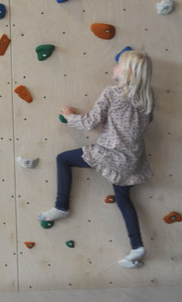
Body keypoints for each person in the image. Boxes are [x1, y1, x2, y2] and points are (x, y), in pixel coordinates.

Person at [38, 51, 155, 268]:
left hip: (109, 154)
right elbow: (146, 125)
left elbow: (91, 122)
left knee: (63, 159)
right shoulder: (147, 100)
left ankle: (61, 206)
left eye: (118, 63)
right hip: (132, 160)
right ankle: (137, 246)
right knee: (123, 200)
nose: (114, 65)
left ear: (127, 72)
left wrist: (69, 117)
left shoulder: (112, 93)